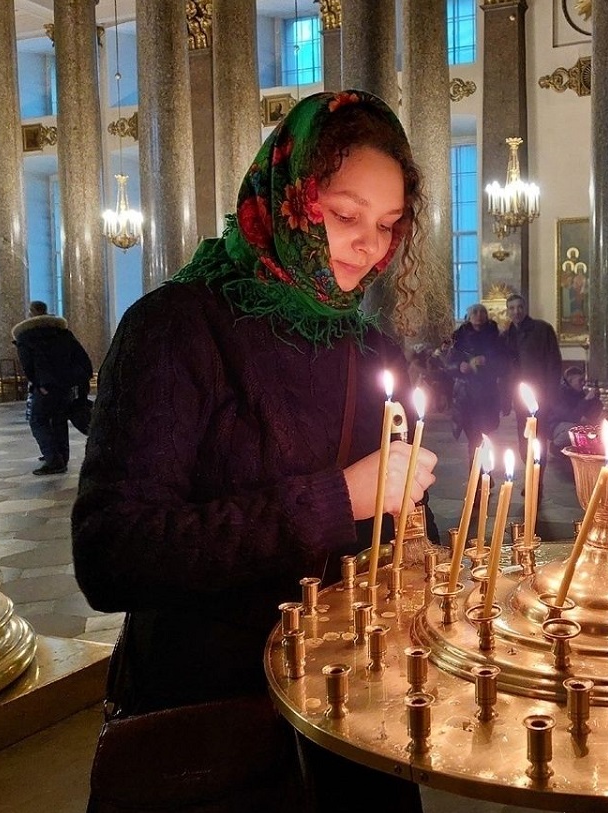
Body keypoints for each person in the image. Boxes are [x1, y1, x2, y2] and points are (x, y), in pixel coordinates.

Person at [72, 90, 436, 812]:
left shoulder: (370, 347)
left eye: (389, 225)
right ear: (288, 196)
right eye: (344, 215)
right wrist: (341, 497)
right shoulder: (175, 329)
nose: (369, 246)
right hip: (215, 722)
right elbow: (112, 554)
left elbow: (398, 538)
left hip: (353, 721)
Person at [12, 300, 92, 476]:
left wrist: (39, 384)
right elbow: (83, 360)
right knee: (59, 420)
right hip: (66, 386)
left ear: (31, 313)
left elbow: (28, 366)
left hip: (46, 387)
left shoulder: (26, 336)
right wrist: (77, 383)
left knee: (38, 421)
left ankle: (53, 459)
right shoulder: (63, 333)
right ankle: (61, 457)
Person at [501, 293, 564, 452]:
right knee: (524, 433)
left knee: (539, 434)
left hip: (540, 391)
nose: (516, 311)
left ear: (525, 308)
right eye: (512, 308)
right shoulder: (506, 335)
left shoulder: (542, 329)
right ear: (507, 311)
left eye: (520, 307)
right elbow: (504, 368)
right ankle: (528, 469)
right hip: (518, 392)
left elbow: (553, 363)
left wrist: (551, 394)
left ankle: (538, 473)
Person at [446, 303, 503, 461]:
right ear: (469, 316)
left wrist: (487, 360)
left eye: (482, 312)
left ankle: (483, 474)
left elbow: (503, 363)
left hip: (487, 395)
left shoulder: (495, 336)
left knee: (484, 435)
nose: (478, 315)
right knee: (474, 438)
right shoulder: (458, 337)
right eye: (475, 312)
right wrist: (460, 366)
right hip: (466, 395)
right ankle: (478, 476)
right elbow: (447, 364)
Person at [549, 365, 603, 452]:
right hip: (557, 425)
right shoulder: (559, 394)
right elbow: (572, 416)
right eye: (580, 381)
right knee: (573, 429)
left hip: (575, 422)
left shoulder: (580, 392)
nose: (583, 384)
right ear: (570, 380)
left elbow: (593, 413)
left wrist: (595, 399)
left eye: (584, 381)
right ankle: (555, 447)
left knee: (598, 426)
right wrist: (586, 400)